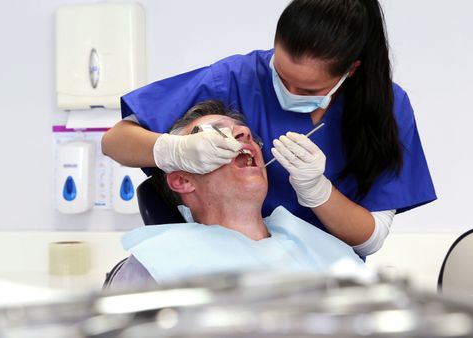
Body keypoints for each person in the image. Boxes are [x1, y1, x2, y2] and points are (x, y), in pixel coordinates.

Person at [102, 0, 436, 257]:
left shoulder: (386, 107)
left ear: (351, 71)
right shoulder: (236, 78)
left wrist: (318, 191)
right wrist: (173, 149)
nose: (244, 134)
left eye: (307, 91)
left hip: (325, 286)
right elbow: (115, 141)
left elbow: (371, 239)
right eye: (280, 73)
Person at [108, 101, 366, 288]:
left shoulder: (321, 248)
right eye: (216, 134)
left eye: (247, 133)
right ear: (183, 180)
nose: (244, 134)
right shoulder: (157, 265)